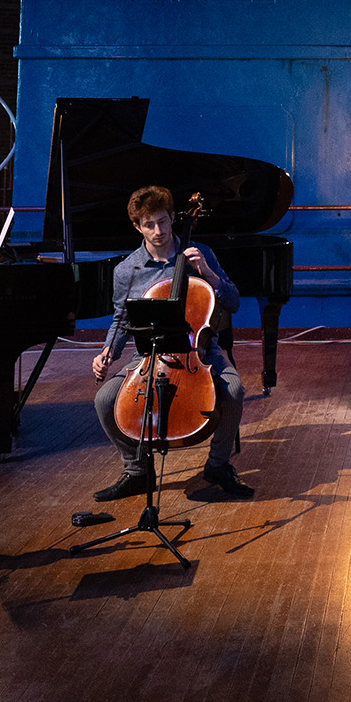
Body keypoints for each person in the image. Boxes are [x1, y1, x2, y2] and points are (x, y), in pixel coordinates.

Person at [90, 185, 252, 501]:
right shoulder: (127, 270)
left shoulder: (200, 254)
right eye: (149, 224)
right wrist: (107, 353)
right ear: (137, 226)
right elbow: (121, 322)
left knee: (234, 391)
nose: (159, 231)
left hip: (199, 352)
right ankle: (137, 471)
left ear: (173, 218)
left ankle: (217, 466)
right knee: (104, 401)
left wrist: (207, 273)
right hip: (147, 357)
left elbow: (233, 302)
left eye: (163, 221)